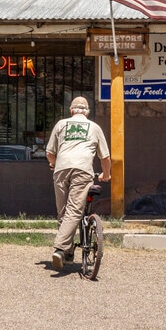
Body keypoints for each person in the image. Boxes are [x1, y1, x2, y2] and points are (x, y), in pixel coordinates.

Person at [45, 96, 111, 271]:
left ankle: (65, 252)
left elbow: (50, 152)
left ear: (71, 111)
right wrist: (106, 174)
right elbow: (105, 157)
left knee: (64, 211)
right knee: (74, 210)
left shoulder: (61, 125)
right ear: (87, 112)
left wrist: (53, 164)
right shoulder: (95, 127)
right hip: (83, 170)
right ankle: (60, 248)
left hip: (61, 170)